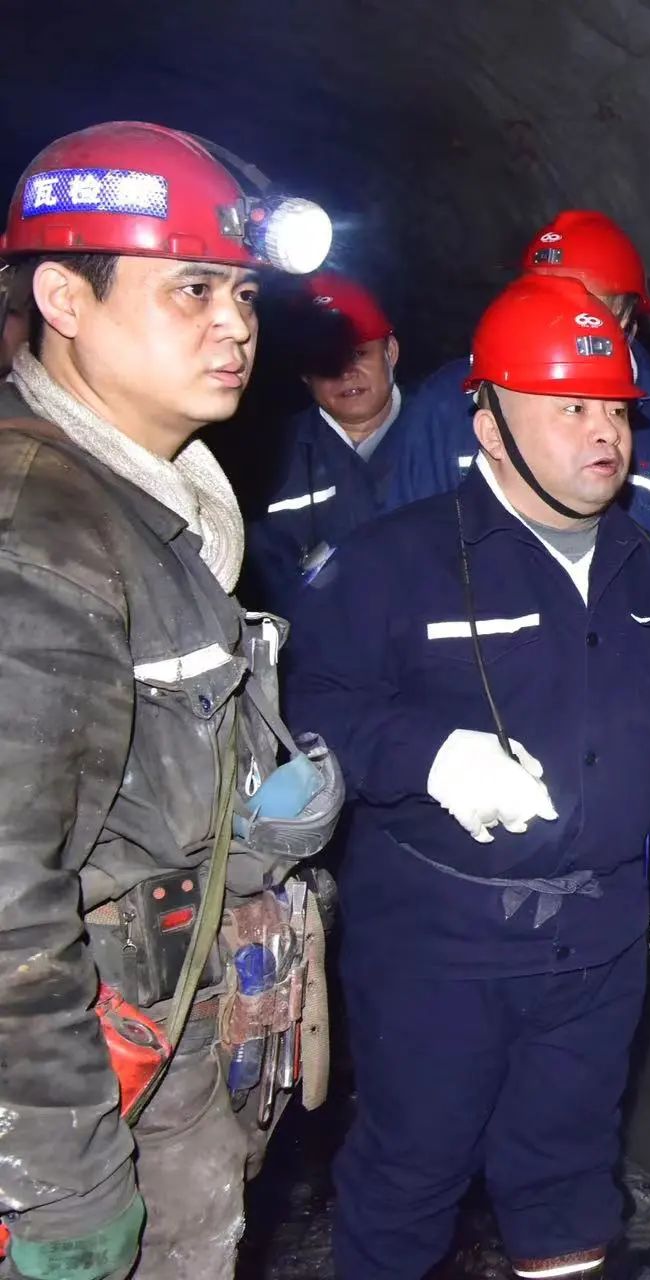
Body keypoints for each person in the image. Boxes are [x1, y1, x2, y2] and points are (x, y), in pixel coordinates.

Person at [284, 274, 650, 1279]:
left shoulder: (649, 568)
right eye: (569, 407)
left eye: (614, 409)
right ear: (489, 426)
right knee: (410, 1174)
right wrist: (431, 754)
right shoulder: (389, 564)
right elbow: (310, 711)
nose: (604, 433)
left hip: (599, 945)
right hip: (439, 948)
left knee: (569, 1182)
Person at [0, 121, 341, 1278]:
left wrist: (247, 828)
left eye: (241, 292)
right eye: (191, 288)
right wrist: (65, 1192)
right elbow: (7, 903)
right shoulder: (37, 536)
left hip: (169, 1064)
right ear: (64, 297)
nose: (236, 323)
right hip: (97, 1106)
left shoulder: (153, 503)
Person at [386, 210, 650, 652]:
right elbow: (394, 578)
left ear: (628, 320)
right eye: (542, 300)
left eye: (587, 306)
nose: (561, 318)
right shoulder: (447, 409)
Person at [241, 271, 403, 612]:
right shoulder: (267, 459)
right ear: (305, 374)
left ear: (390, 352)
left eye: (358, 354)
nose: (345, 372)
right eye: (326, 361)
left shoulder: (444, 431)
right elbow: (269, 593)